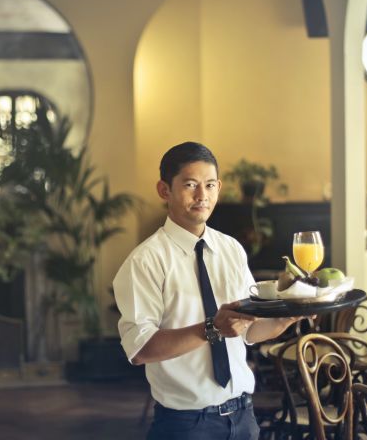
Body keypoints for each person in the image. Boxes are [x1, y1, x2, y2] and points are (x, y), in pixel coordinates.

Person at [114, 142, 306, 440]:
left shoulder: (231, 249)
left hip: (244, 418)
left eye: (210, 185)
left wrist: (287, 318)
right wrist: (212, 328)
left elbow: (247, 332)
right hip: (186, 426)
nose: (202, 196)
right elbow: (139, 350)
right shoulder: (145, 261)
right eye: (190, 185)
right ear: (164, 190)